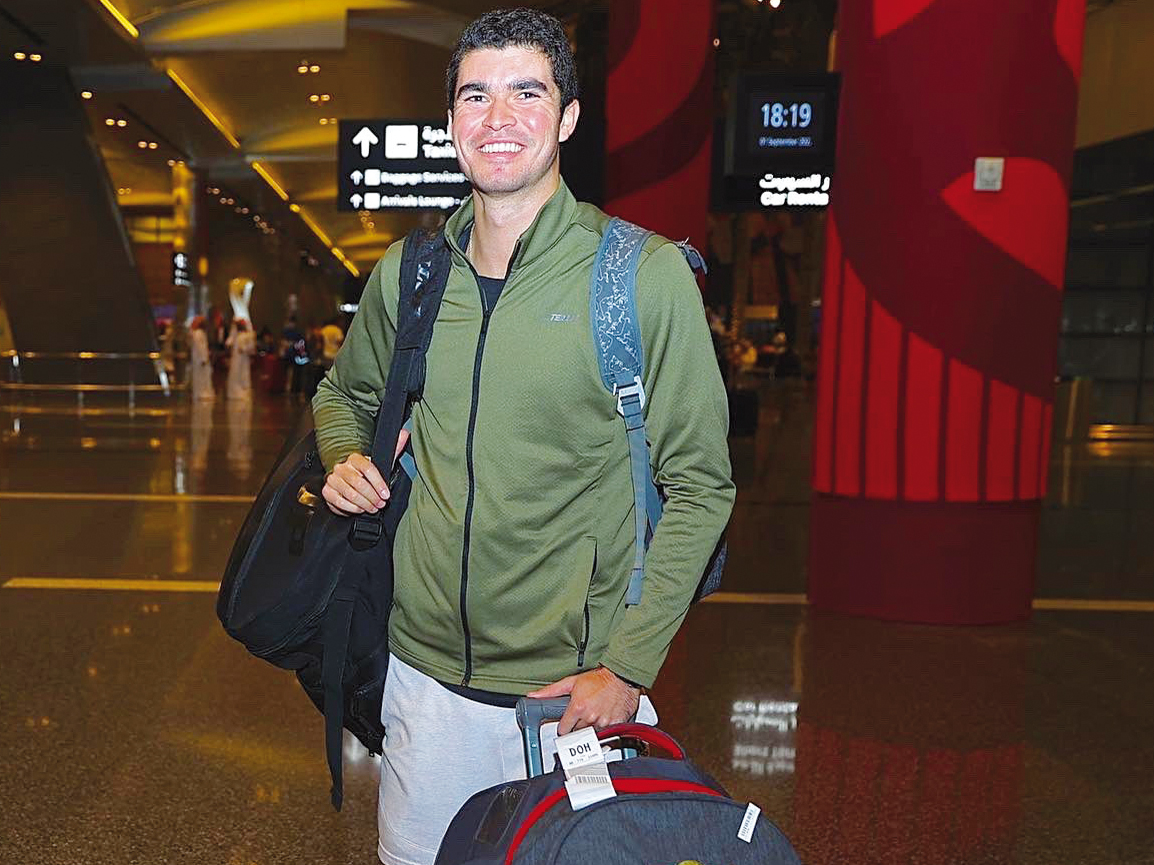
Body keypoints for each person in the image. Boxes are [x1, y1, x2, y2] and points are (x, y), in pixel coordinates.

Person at [311, 10, 734, 864]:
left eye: (526, 92)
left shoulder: (641, 277)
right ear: (452, 121)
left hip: (573, 694)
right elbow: (342, 394)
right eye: (475, 95)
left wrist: (628, 665)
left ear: (568, 118)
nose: (497, 118)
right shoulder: (413, 272)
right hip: (425, 685)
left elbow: (701, 484)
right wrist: (342, 457)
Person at [225, 318, 256, 400]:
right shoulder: (236, 336)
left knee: (243, 374)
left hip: (243, 359)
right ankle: (234, 392)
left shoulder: (247, 335)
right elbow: (229, 343)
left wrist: (244, 349)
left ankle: (243, 391)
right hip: (236, 359)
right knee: (235, 374)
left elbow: (251, 348)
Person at [188, 316, 214, 402]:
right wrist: (203, 358)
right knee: (201, 377)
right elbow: (200, 347)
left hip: (200, 359)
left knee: (202, 377)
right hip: (200, 359)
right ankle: (202, 393)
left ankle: (202, 393)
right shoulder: (198, 333)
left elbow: (202, 347)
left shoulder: (198, 333)